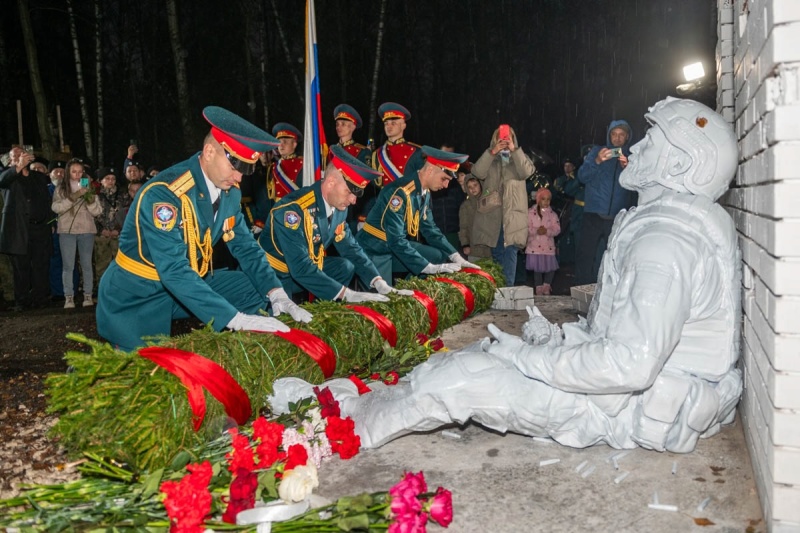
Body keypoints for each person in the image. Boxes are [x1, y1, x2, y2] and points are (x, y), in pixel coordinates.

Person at [278, 98, 742, 455]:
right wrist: (557, 338)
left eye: (652, 141)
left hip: (615, 407)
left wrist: (532, 359)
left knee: (458, 382)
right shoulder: (670, 225)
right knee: (474, 356)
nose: (635, 147)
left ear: (680, 165)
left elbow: (629, 365)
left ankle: (335, 430)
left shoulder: (666, 243)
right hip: (613, 393)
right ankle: (355, 401)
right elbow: (622, 337)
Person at [96, 106, 312, 351]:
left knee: (250, 286)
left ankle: (257, 354)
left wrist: (276, 292)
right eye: (236, 167)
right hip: (139, 293)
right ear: (209, 152)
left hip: (189, 281)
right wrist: (233, 319)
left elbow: (246, 248)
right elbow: (174, 271)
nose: (240, 178)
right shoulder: (165, 195)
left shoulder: (229, 193)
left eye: (247, 170)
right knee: (150, 377)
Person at [259, 144, 412, 302]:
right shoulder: (293, 210)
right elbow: (300, 266)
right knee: (283, 322)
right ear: (331, 183)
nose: (353, 201)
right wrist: (346, 294)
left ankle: (324, 310)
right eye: (349, 192)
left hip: (305, 269)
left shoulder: (339, 208)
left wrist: (378, 281)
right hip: (273, 275)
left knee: (344, 266)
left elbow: (351, 248)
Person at [357, 146, 481, 282]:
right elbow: (396, 240)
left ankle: (410, 290)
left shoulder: (424, 192)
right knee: (383, 296)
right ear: (429, 170)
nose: (446, 185)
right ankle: (400, 293)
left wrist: (456, 256)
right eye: (444, 179)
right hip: (374, 248)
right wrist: (426, 267)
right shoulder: (399, 192)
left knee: (436, 256)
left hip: (394, 245)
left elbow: (431, 230)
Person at [469, 125, 535, 286]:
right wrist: (492, 152)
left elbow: (527, 172)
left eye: (508, 137)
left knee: (510, 252)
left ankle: (508, 292)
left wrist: (514, 150)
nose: (505, 141)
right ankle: (500, 292)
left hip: (513, 215)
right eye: (501, 138)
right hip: (494, 217)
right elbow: (477, 172)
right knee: (498, 253)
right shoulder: (491, 159)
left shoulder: (520, 157)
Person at [575, 120, 637, 285]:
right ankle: (581, 289)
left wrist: (628, 169)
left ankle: (608, 291)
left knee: (614, 257)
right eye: (614, 134)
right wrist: (596, 161)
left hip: (617, 216)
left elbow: (638, 187)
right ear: (609, 135)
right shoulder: (597, 151)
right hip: (593, 214)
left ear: (627, 137)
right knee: (586, 255)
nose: (617, 139)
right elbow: (582, 177)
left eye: (621, 135)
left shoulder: (632, 157)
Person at [0, 146, 53, 310]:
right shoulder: (8, 176)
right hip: (18, 230)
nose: (19, 157)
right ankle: (21, 301)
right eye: (14, 156)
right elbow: (2, 180)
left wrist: (51, 223)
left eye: (21, 153)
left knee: (40, 265)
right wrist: (18, 166)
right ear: (10, 160)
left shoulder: (38, 177)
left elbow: (47, 201)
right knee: (21, 268)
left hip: (40, 229)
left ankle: (41, 299)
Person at [52, 158, 102, 309]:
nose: (77, 174)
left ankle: (88, 295)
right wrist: (72, 198)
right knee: (68, 266)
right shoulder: (61, 189)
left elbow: (97, 212)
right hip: (67, 231)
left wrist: (91, 200)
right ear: (68, 172)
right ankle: (69, 297)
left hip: (86, 230)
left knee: (87, 264)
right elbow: (55, 207)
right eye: (74, 171)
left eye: (80, 172)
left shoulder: (89, 186)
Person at [371, 102, 423, 187]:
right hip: (385, 199)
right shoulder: (377, 154)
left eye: (393, 123)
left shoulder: (416, 151)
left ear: (403, 126)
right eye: (386, 123)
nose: (389, 126)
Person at [94, 167, 127, 289]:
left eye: (113, 178)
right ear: (101, 180)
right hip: (101, 236)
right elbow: (90, 215)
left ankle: (120, 290)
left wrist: (117, 229)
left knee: (121, 264)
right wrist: (100, 230)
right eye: (107, 178)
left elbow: (126, 214)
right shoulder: (95, 195)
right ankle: (102, 289)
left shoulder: (123, 195)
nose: (110, 181)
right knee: (101, 265)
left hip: (118, 235)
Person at [525, 188, 560, 295]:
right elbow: (526, 228)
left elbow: (557, 229)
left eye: (548, 199)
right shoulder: (530, 213)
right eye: (543, 199)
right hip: (535, 246)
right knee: (537, 269)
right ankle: (538, 288)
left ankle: (547, 286)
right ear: (538, 199)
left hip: (548, 246)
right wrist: (536, 231)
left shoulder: (552, 214)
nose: (546, 202)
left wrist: (547, 231)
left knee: (550, 268)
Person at [551, 158, 584, 265]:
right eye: (566, 165)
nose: (567, 168)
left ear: (574, 167)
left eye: (570, 165)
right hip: (563, 210)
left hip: (575, 210)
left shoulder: (578, 178)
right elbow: (560, 192)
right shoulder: (560, 179)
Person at [268, 122, 304, 201]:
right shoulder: (274, 166)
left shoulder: (302, 164)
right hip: (278, 209)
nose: (281, 145)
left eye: (285, 142)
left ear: (294, 144)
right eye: (279, 142)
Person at [458, 176, 490, 262]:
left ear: (480, 184)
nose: (473, 189)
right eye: (470, 187)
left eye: (475, 185)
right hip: (473, 249)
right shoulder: (465, 206)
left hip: (490, 248)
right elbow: (463, 227)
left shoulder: (489, 202)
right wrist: (465, 244)